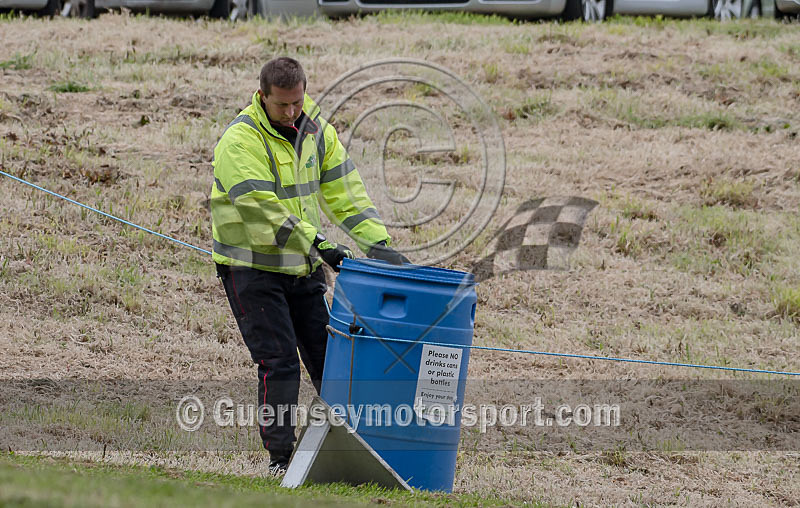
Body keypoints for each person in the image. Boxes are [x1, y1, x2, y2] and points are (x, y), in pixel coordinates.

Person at [210, 57, 408, 475]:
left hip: (301, 266)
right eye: (282, 105)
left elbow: (345, 191)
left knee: (330, 361)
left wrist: (379, 245)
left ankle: (356, 453)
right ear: (262, 96)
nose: (292, 112)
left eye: (298, 102)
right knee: (279, 362)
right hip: (252, 269)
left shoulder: (316, 129)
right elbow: (262, 211)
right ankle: (280, 461)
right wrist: (319, 243)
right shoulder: (239, 142)